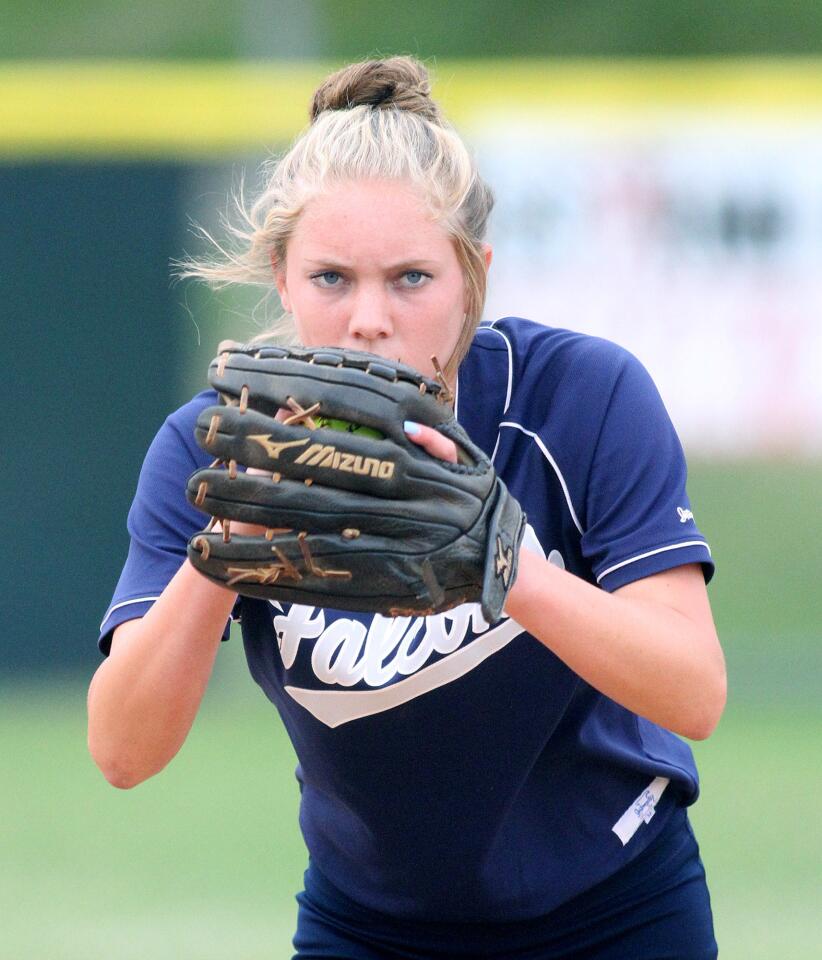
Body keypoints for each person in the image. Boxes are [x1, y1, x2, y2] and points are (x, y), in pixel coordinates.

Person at [88, 57, 726, 959]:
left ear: (475, 276)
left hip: (614, 906)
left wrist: (505, 564)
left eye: (413, 278)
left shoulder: (575, 399)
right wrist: (226, 551)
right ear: (281, 277)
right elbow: (122, 751)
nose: (370, 319)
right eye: (332, 278)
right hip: (374, 926)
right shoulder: (218, 451)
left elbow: (693, 691)